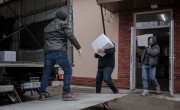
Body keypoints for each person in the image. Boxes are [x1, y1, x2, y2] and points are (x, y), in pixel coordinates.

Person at [39, 9, 82, 101]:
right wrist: (78, 47)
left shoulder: (46, 26)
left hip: (48, 52)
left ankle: (42, 93)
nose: (65, 20)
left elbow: (43, 40)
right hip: (59, 51)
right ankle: (66, 93)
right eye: (65, 18)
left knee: (46, 73)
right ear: (62, 18)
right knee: (68, 70)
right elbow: (70, 36)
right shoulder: (63, 24)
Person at [94, 42, 119, 108]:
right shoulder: (100, 45)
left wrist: (104, 50)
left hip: (109, 66)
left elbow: (113, 50)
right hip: (101, 66)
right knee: (97, 81)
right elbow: (96, 56)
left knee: (106, 78)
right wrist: (97, 51)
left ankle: (115, 91)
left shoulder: (111, 44)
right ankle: (97, 95)